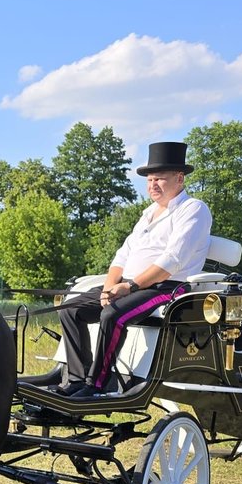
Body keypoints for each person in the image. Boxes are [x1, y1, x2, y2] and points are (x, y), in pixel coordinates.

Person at [57, 141, 212, 397]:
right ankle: (76, 379)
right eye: (150, 180)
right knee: (70, 309)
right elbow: (122, 255)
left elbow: (172, 261)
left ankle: (96, 384)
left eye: (159, 179)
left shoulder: (193, 209)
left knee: (112, 316)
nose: (153, 185)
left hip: (167, 288)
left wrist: (129, 286)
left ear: (180, 178)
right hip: (128, 285)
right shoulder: (148, 213)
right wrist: (108, 288)